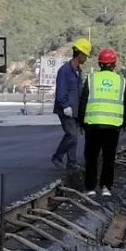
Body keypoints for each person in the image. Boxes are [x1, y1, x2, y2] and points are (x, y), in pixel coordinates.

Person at [78, 47, 126, 197]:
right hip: (113, 126)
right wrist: (124, 122)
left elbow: (83, 101)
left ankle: (90, 188)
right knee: (109, 158)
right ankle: (106, 187)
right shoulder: (121, 81)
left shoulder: (91, 78)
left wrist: (81, 122)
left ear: (100, 64)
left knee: (91, 157)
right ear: (114, 64)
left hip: (93, 125)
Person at [52, 37, 91, 170]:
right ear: (80, 54)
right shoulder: (65, 71)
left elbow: (78, 92)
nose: (86, 58)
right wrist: (65, 106)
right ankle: (57, 157)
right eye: (85, 55)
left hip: (75, 109)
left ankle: (71, 163)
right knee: (72, 135)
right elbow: (61, 91)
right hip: (66, 109)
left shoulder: (78, 71)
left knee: (74, 136)